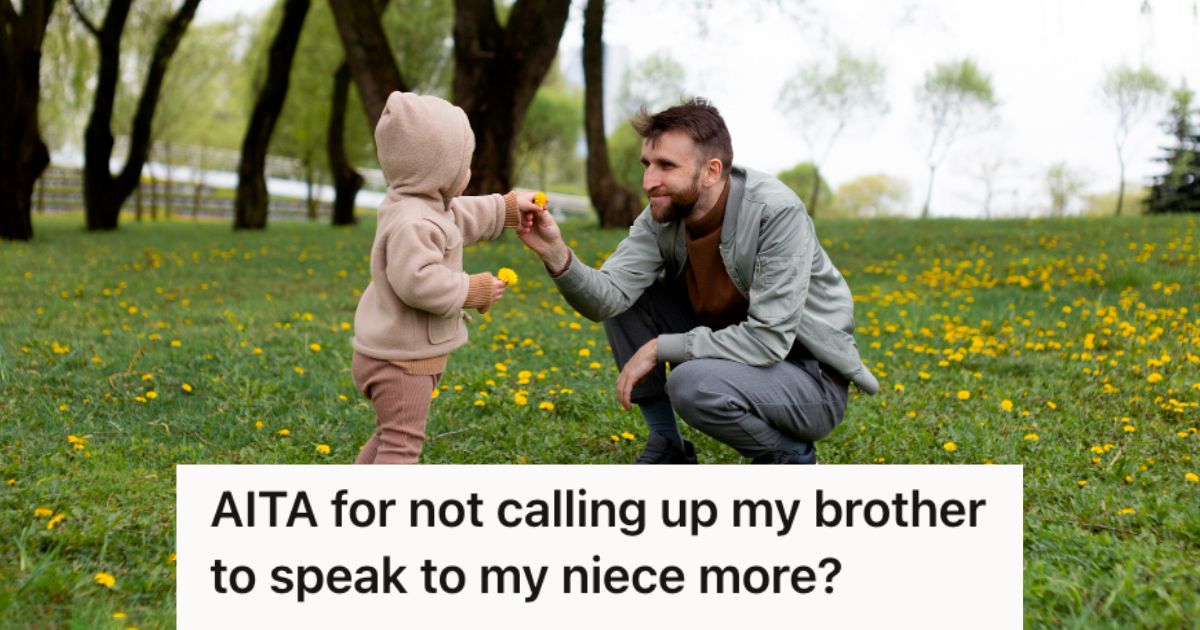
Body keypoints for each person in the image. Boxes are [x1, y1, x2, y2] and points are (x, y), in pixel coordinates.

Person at [517, 98, 879, 464]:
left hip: (807, 380)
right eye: (647, 165)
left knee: (690, 384)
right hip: (733, 357)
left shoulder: (776, 212)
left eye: (666, 166)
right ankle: (667, 446)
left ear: (711, 170)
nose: (648, 182)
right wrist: (556, 254)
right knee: (631, 300)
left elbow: (769, 340)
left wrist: (661, 347)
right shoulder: (662, 214)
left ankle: (791, 454)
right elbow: (606, 299)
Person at [351, 91, 541, 464]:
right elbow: (417, 282)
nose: (467, 172)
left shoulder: (416, 204)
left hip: (393, 353)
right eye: (462, 164)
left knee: (390, 435)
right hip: (400, 362)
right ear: (438, 167)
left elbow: (459, 216)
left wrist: (506, 207)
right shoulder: (413, 221)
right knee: (401, 446)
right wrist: (474, 289)